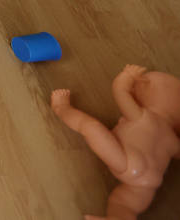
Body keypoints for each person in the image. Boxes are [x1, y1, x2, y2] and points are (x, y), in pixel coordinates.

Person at [52, 65, 180, 220]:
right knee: (124, 206)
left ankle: (62, 108)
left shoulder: (142, 115)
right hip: (149, 181)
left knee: (91, 127)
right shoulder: (173, 142)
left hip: (128, 160)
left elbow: (120, 92)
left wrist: (126, 77)